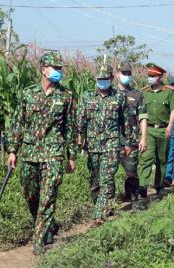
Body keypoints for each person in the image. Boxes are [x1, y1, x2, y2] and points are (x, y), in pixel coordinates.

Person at [7, 51, 77, 255]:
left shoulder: (66, 96)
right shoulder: (27, 94)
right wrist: (13, 151)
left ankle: (38, 241)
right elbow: (18, 124)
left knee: (48, 198)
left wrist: (71, 155)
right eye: (55, 68)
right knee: (31, 195)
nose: (58, 71)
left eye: (60, 68)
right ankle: (50, 225)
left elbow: (70, 128)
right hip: (29, 153)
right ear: (43, 69)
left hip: (53, 154)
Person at [77, 63, 133, 225]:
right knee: (94, 181)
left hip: (111, 144)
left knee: (107, 178)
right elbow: (80, 121)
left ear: (111, 78)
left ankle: (99, 215)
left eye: (105, 78)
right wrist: (79, 138)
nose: (102, 81)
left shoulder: (119, 97)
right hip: (93, 145)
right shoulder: (87, 97)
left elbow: (126, 122)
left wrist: (128, 142)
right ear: (95, 78)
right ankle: (103, 205)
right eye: (100, 78)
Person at [138, 63, 174, 200]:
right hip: (149, 130)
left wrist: (170, 125)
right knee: (146, 158)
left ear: (160, 77)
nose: (150, 78)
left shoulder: (169, 92)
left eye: (153, 76)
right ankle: (143, 186)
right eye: (149, 76)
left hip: (163, 130)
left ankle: (159, 186)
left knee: (162, 159)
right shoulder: (144, 92)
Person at [115, 61, 148, 204]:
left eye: (129, 73)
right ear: (117, 74)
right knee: (107, 174)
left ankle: (133, 201)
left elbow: (143, 118)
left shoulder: (137, 95)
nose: (126, 76)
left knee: (131, 172)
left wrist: (143, 138)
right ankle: (108, 204)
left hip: (131, 139)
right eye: (124, 73)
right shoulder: (110, 94)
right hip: (111, 140)